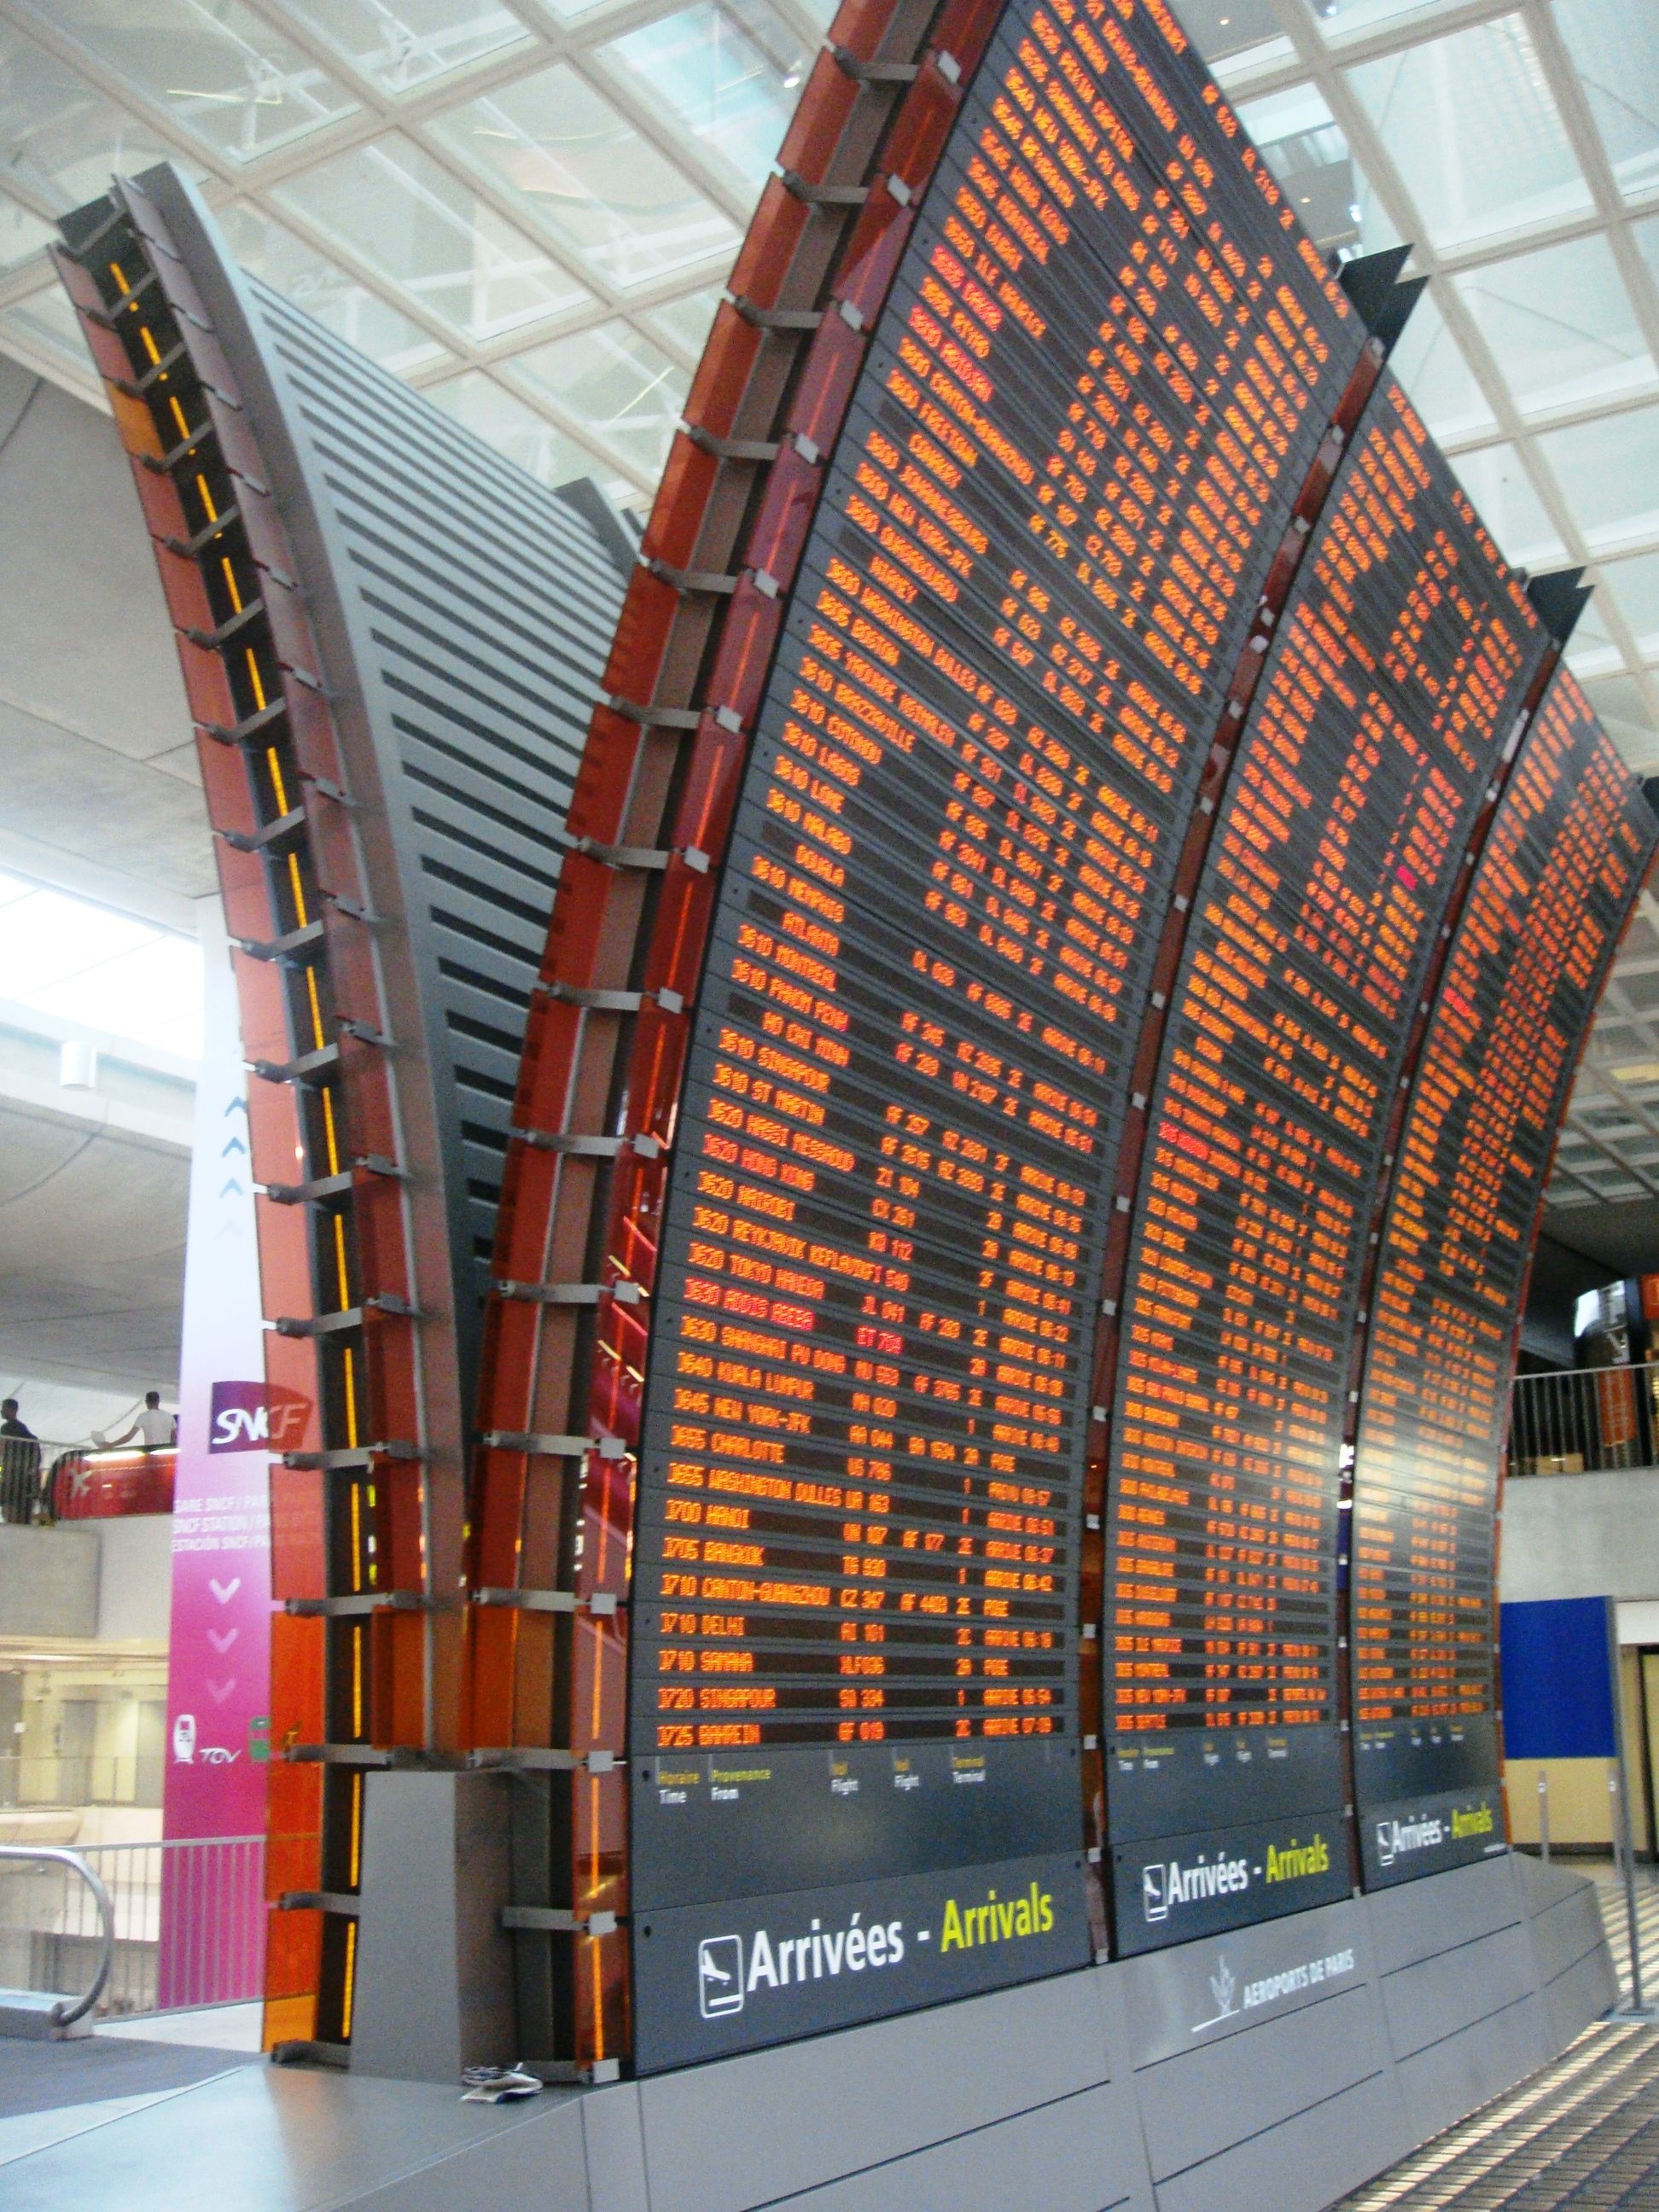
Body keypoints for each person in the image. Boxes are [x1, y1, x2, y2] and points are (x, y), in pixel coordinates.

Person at [100, 1392, 176, 1451]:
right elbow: (174, 1438)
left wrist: (112, 1445)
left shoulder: (143, 1416)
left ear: (146, 1402)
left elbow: (129, 1437)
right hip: (166, 1452)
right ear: (158, 1401)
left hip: (151, 1451)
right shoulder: (169, 1416)